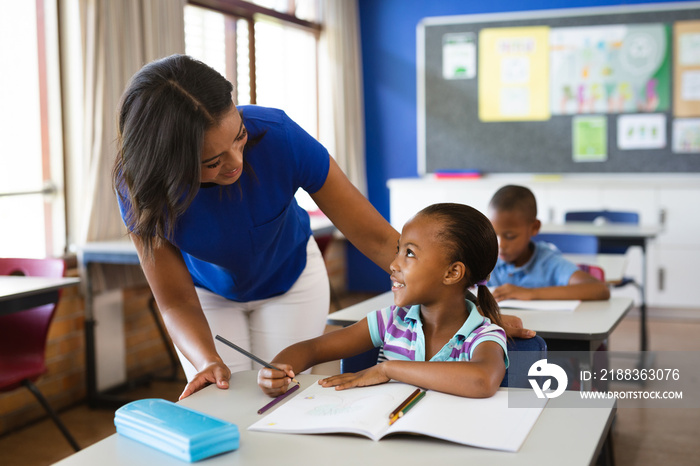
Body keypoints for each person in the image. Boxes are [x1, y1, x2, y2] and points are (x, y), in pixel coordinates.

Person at [114, 55, 530, 401]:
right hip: (205, 295)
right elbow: (174, 301)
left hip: (291, 279)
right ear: (169, 164)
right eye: (212, 162)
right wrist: (205, 360)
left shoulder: (278, 137)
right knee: (226, 398)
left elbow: (377, 237)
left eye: (238, 137)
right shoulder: (141, 189)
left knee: (281, 395)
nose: (236, 162)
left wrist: (468, 311)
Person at [258, 203, 508, 399]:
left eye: (409, 253)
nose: (393, 263)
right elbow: (312, 349)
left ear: (452, 273)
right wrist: (278, 370)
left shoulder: (483, 335)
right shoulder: (390, 321)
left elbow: (482, 380)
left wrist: (388, 369)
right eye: (398, 249)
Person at [487, 185, 610, 301]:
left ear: (535, 227)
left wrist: (530, 293)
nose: (500, 245)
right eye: (494, 234)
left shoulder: (548, 262)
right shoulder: (488, 261)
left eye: (510, 236)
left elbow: (600, 290)